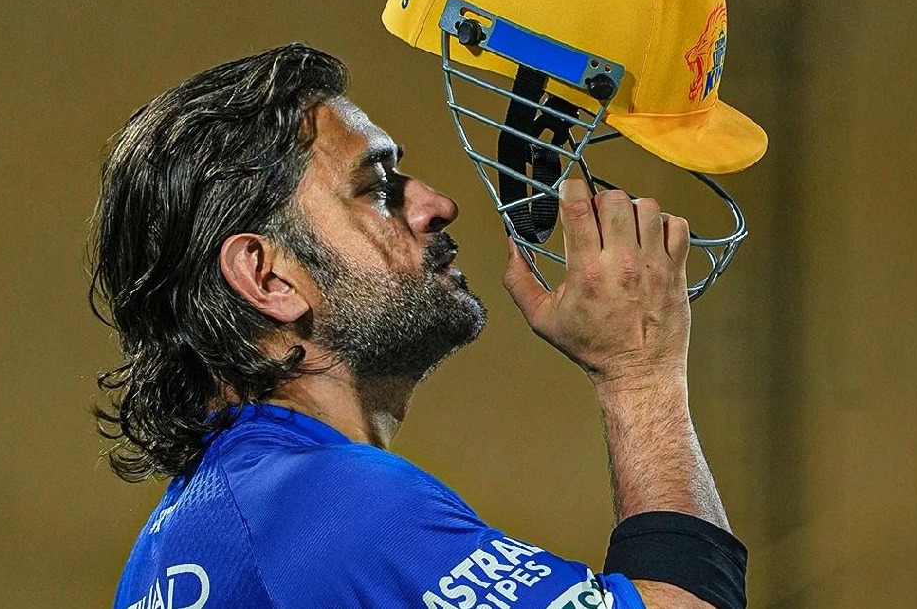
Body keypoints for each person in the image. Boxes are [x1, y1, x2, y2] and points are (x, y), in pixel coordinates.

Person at [91, 44, 747, 609]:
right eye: (377, 187)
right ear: (268, 278)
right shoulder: (329, 504)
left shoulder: (179, 541)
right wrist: (639, 375)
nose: (437, 204)